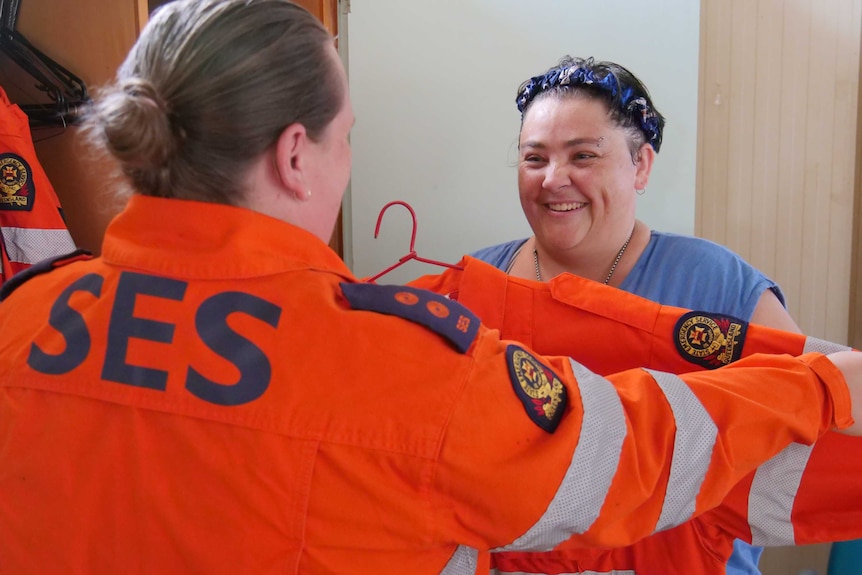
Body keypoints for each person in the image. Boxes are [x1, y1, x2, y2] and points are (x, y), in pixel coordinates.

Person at [1, 4, 861, 573]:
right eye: (347, 138)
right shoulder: (399, 363)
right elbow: (622, 451)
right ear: (297, 155)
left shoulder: (21, 319)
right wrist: (817, 387)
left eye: (583, 154)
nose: (554, 178)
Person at [469, 56, 806, 574]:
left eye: (583, 156)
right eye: (534, 158)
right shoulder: (474, 288)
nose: (553, 179)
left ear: (641, 165)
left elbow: (808, 419)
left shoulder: (718, 286)